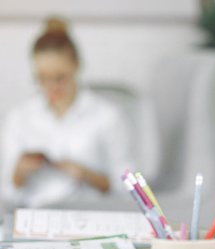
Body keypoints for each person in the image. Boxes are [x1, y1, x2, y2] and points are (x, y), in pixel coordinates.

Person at [0, 17, 133, 209]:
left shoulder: (108, 116)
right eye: (43, 79)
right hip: (36, 216)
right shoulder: (19, 118)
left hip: (92, 215)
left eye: (60, 78)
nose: (52, 87)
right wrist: (19, 174)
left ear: (77, 65)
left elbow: (131, 189)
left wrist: (87, 175)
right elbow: (7, 194)